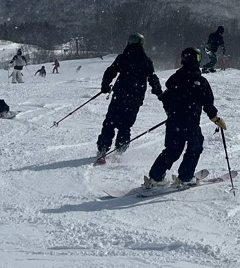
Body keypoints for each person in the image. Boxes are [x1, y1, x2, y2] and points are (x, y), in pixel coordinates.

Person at [145, 46, 226, 189]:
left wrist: (171, 113)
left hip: (173, 122)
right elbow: (208, 104)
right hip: (191, 124)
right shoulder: (201, 82)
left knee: (172, 150)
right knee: (195, 147)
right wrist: (216, 119)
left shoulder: (175, 79)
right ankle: (185, 177)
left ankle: (155, 177)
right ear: (197, 60)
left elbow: (166, 99)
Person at [96, 33, 163, 162]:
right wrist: (159, 92)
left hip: (120, 94)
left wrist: (105, 85)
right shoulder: (146, 60)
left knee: (110, 121)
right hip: (136, 97)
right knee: (126, 125)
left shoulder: (123, 57)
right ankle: (120, 151)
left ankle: (103, 149)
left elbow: (111, 71)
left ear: (128, 43)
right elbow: (152, 77)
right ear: (141, 43)